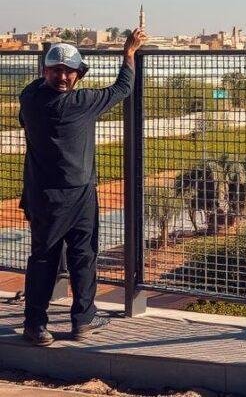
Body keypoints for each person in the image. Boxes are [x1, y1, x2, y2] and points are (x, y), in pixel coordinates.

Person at [19, 27, 147, 345]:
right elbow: (123, 88)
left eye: (66, 71)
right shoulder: (82, 102)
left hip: (41, 195)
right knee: (82, 256)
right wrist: (128, 53)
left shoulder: (30, 98)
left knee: (43, 258)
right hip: (78, 194)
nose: (63, 77)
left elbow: (29, 103)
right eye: (59, 71)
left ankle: (36, 325)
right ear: (80, 74)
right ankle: (82, 320)